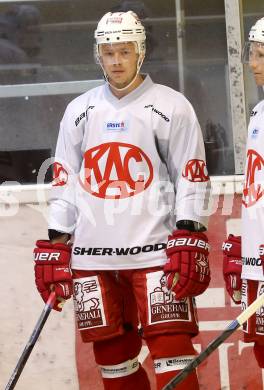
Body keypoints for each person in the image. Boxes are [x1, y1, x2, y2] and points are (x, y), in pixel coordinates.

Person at [33, 11, 211, 390]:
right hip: (93, 259)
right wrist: (57, 244)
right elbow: (64, 181)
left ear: (140, 52)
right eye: (108, 52)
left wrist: (188, 231)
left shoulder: (172, 105)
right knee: (112, 358)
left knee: (172, 348)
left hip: (156, 254)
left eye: (124, 51)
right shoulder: (79, 110)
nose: (116, 61)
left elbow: (191, 173)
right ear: (98, 54)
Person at [222, 16, 264, 370]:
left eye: (262, 54)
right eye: (252, 53)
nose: (253, 63)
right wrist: (248, 247)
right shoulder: (258, 112)